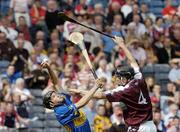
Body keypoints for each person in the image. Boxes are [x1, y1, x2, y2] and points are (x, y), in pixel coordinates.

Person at [70, 36, 157, 132]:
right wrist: (122, 44)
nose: (116, 79)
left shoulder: (124, 91)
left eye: (118, 77)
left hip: (138, 128)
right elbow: (133, 61)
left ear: (124, 78)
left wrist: (80, 91)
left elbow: (99, 95)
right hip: (151, 126)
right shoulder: (139, 78)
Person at [41, 60, 104, 132]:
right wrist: (95, 87)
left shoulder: (63, 99)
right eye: (54, 97)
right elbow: (81, 103)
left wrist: (49, 68)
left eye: (56, 94)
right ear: (51, 104)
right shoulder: (60, 111)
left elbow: (55, 83)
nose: (57, 96)